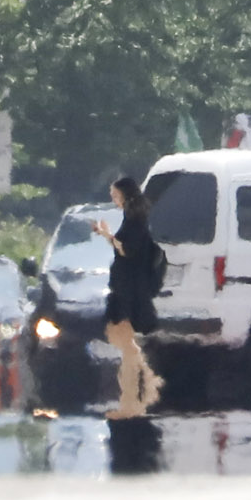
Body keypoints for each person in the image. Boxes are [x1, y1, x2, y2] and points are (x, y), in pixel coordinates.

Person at [93, 176, 164, 419]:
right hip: (129, 288)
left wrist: (106, 235)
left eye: (115, 194)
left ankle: (134, 400)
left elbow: (127, 249)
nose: (113, 198)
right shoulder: (134, 217)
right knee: (125, 344)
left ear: (125, 194)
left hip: (130, 290)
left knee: (125, 344)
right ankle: (146, 390)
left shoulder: (136, 220)